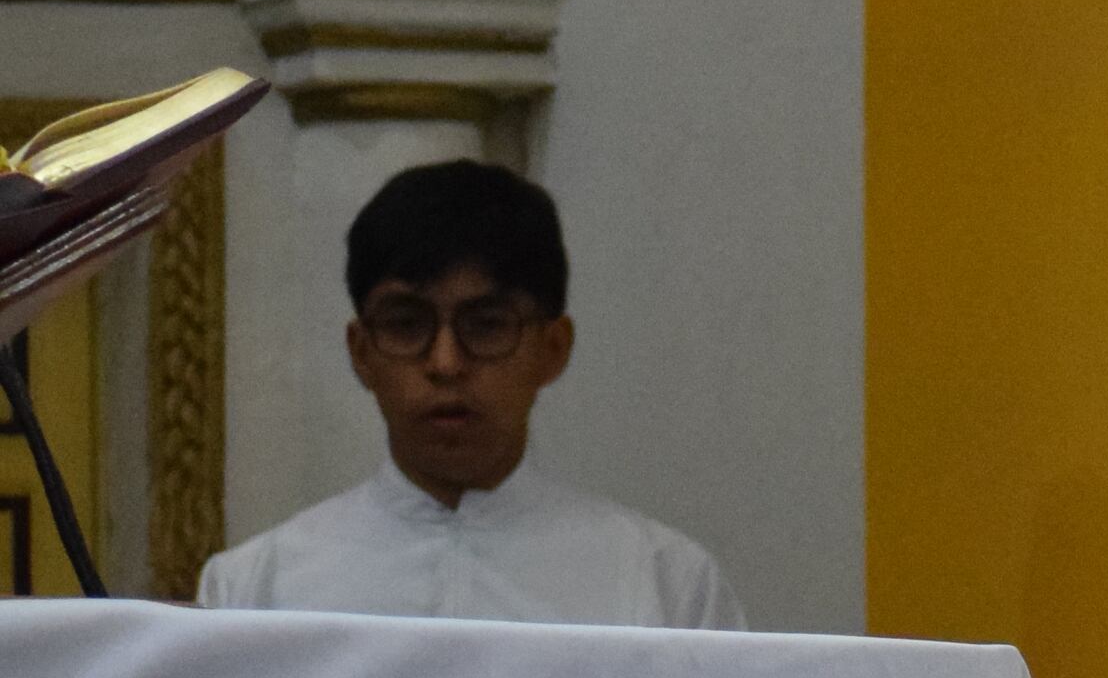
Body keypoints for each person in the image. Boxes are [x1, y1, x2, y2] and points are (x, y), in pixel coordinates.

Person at [200, 159, 746, 629]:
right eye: (407, 323)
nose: (445, 363)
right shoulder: (256, 588)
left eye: (485, 325)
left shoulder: (664, 585)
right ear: (361, 351)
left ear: (553, 349)